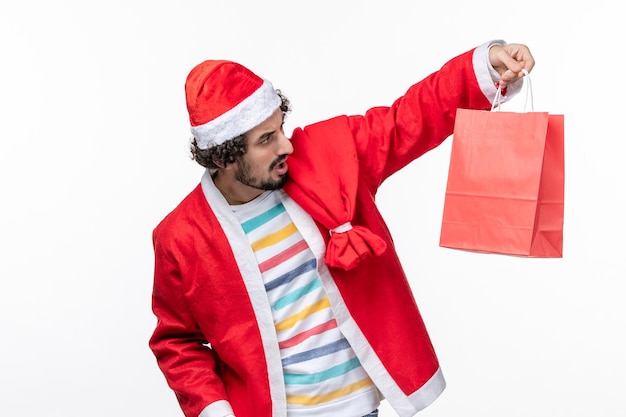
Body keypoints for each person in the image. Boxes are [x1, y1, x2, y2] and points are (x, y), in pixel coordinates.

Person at [149, 40, 535, 417]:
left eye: (280, 128)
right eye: (266, 140)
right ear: (222, 156)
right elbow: (178, 342)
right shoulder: (180, 237)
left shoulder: (329, 158)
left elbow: (408, 119)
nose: (285, 146)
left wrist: (483, 69)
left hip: (360, 408)